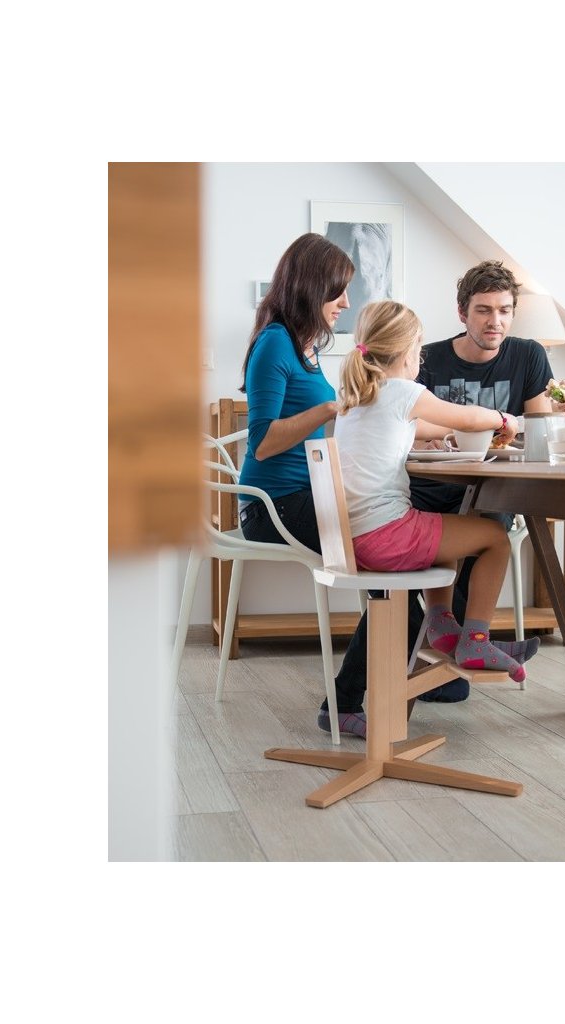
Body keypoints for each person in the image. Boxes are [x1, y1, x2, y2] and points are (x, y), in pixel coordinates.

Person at [236, 232, 424, 740]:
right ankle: (348, 702)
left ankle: (379, 691)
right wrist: (325, 410)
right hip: (272, 507)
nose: (345, 302)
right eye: (337, 291)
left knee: (399, 578)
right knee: (396, 575)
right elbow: (262, 444)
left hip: (307, 497)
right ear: (310, 286)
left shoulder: (305, 346)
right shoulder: (275, 343)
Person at [333, 300, 539, 681]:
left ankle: (444, 626)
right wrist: (504, 419)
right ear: (409, 352)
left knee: (447, 522)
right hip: (386, 537)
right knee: (495, 538)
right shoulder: (404, 391)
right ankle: (476, 639)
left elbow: (429, 427)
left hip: (355, 539)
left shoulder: (359, 397)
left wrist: (452, 435)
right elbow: (468, 416)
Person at [410, 259, 557, 701]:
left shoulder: (529, 355)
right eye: (484, 310)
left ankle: (466, 640)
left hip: (493, 487)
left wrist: (515, 431)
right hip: (433, 486)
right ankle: (462, 641)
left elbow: (539, 430)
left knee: (489, 523)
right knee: (459, 528)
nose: (496, 321)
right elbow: (409, 426)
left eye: (504, 310)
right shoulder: (428, 358)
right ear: (462, 312)